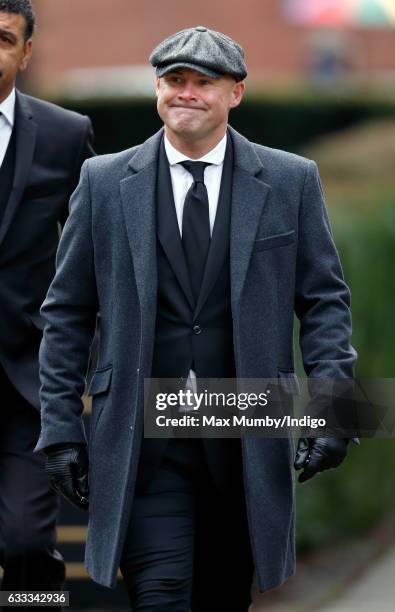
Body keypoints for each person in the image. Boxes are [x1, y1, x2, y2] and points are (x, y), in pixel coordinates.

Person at [35, 26, 357, 611]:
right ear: (158, 88)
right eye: (174, 80)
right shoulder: (104, 182)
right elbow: (67, 312)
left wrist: (336, 414)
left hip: (245, 437)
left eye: (203, 82)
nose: (186, 93)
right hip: (140, 444)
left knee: (223, 599)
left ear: (235, 93)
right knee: (159, 598)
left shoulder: (291, 180)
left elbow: (325, 302)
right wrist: (58, 429)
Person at [0, 0, 94, 596]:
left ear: (26, 53)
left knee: (29, 544)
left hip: (24, 386)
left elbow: (93, 260)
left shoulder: (65, 135)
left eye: (4, 39)